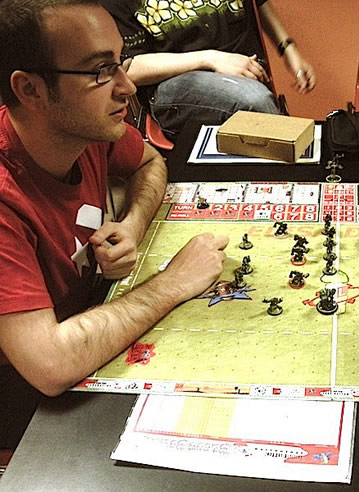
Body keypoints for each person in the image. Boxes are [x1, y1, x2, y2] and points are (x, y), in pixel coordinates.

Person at [0, 0, 229, 407]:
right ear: (30, 89)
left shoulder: (84, 128)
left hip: (86, 326)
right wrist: (174, 282)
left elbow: (150, 162)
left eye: (120, 62)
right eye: (101, 71)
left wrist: (132, 225)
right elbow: (50, 364)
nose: (127, 87)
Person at [101, 0, 317, 141]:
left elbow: (258, 3)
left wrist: (287, 48)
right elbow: (128, 68)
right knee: (254, 101)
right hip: (173, 85)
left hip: (247, 74)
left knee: (258, 102)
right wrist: (210, 59)